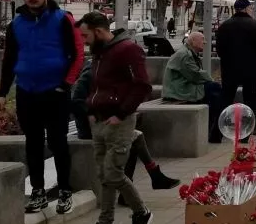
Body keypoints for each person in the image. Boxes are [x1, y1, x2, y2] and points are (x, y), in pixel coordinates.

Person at [0, 0, 85, 215]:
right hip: (26, 91)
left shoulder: (63, 19)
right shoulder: (15, 25)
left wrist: (65, 85)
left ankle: (65, 191)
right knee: (32, 144)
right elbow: (9, 59)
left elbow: (78, 54)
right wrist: (2, 92)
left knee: (58, 143)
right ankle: (38, 192)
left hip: (55, 92)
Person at [73, 12, 154, 224]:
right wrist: (89, 110)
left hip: (118, 120)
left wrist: (121, 114)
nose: (83, 41)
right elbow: (95, 85)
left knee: (113, 173)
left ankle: (141, 212)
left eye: (85, 35)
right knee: (104, 175)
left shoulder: (127, 50)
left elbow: (142, 86)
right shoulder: (100, 52)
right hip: (99, 120)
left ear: (98, 31)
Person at [72, 55, 180, 200]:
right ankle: (151, 177)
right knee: (135, 137)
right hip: (90, 128)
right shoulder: (91, 73)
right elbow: (76, 101)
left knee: (134, 138)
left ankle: (143, 182)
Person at [163, 32, 226, 143]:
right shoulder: (185, 55)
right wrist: (211, 79)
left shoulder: (188, 52)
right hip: (179, 90)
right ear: (193, 41)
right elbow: (195, 75)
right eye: (202, 39)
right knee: (214, 90)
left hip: (182, 87)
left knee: (214, 91)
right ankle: (212, 132)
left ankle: (212, 131)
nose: (205, 42)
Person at [216, 0, 256, 114]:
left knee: (226, 99)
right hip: (251, 70)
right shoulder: (255, 26)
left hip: (229, 70)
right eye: (250, 8)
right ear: (246, 9)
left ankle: (222, 127)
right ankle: (249, 127)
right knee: (250, 101)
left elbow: (219, 49)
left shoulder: (224, 26)